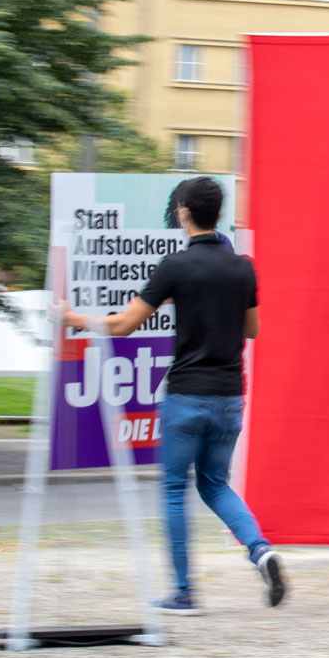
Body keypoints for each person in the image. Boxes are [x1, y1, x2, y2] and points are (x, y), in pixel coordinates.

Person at [63, 176, 284, 615]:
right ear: (216, 212)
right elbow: (254, 329)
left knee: (172, 490)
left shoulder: (176, 266)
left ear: (183, 211)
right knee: (216, 483)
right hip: (229, 396)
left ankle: (184, 592)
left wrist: (74, 317)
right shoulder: (243, 266)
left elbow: (125, 324)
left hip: (186, 395)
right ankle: (260, 550)